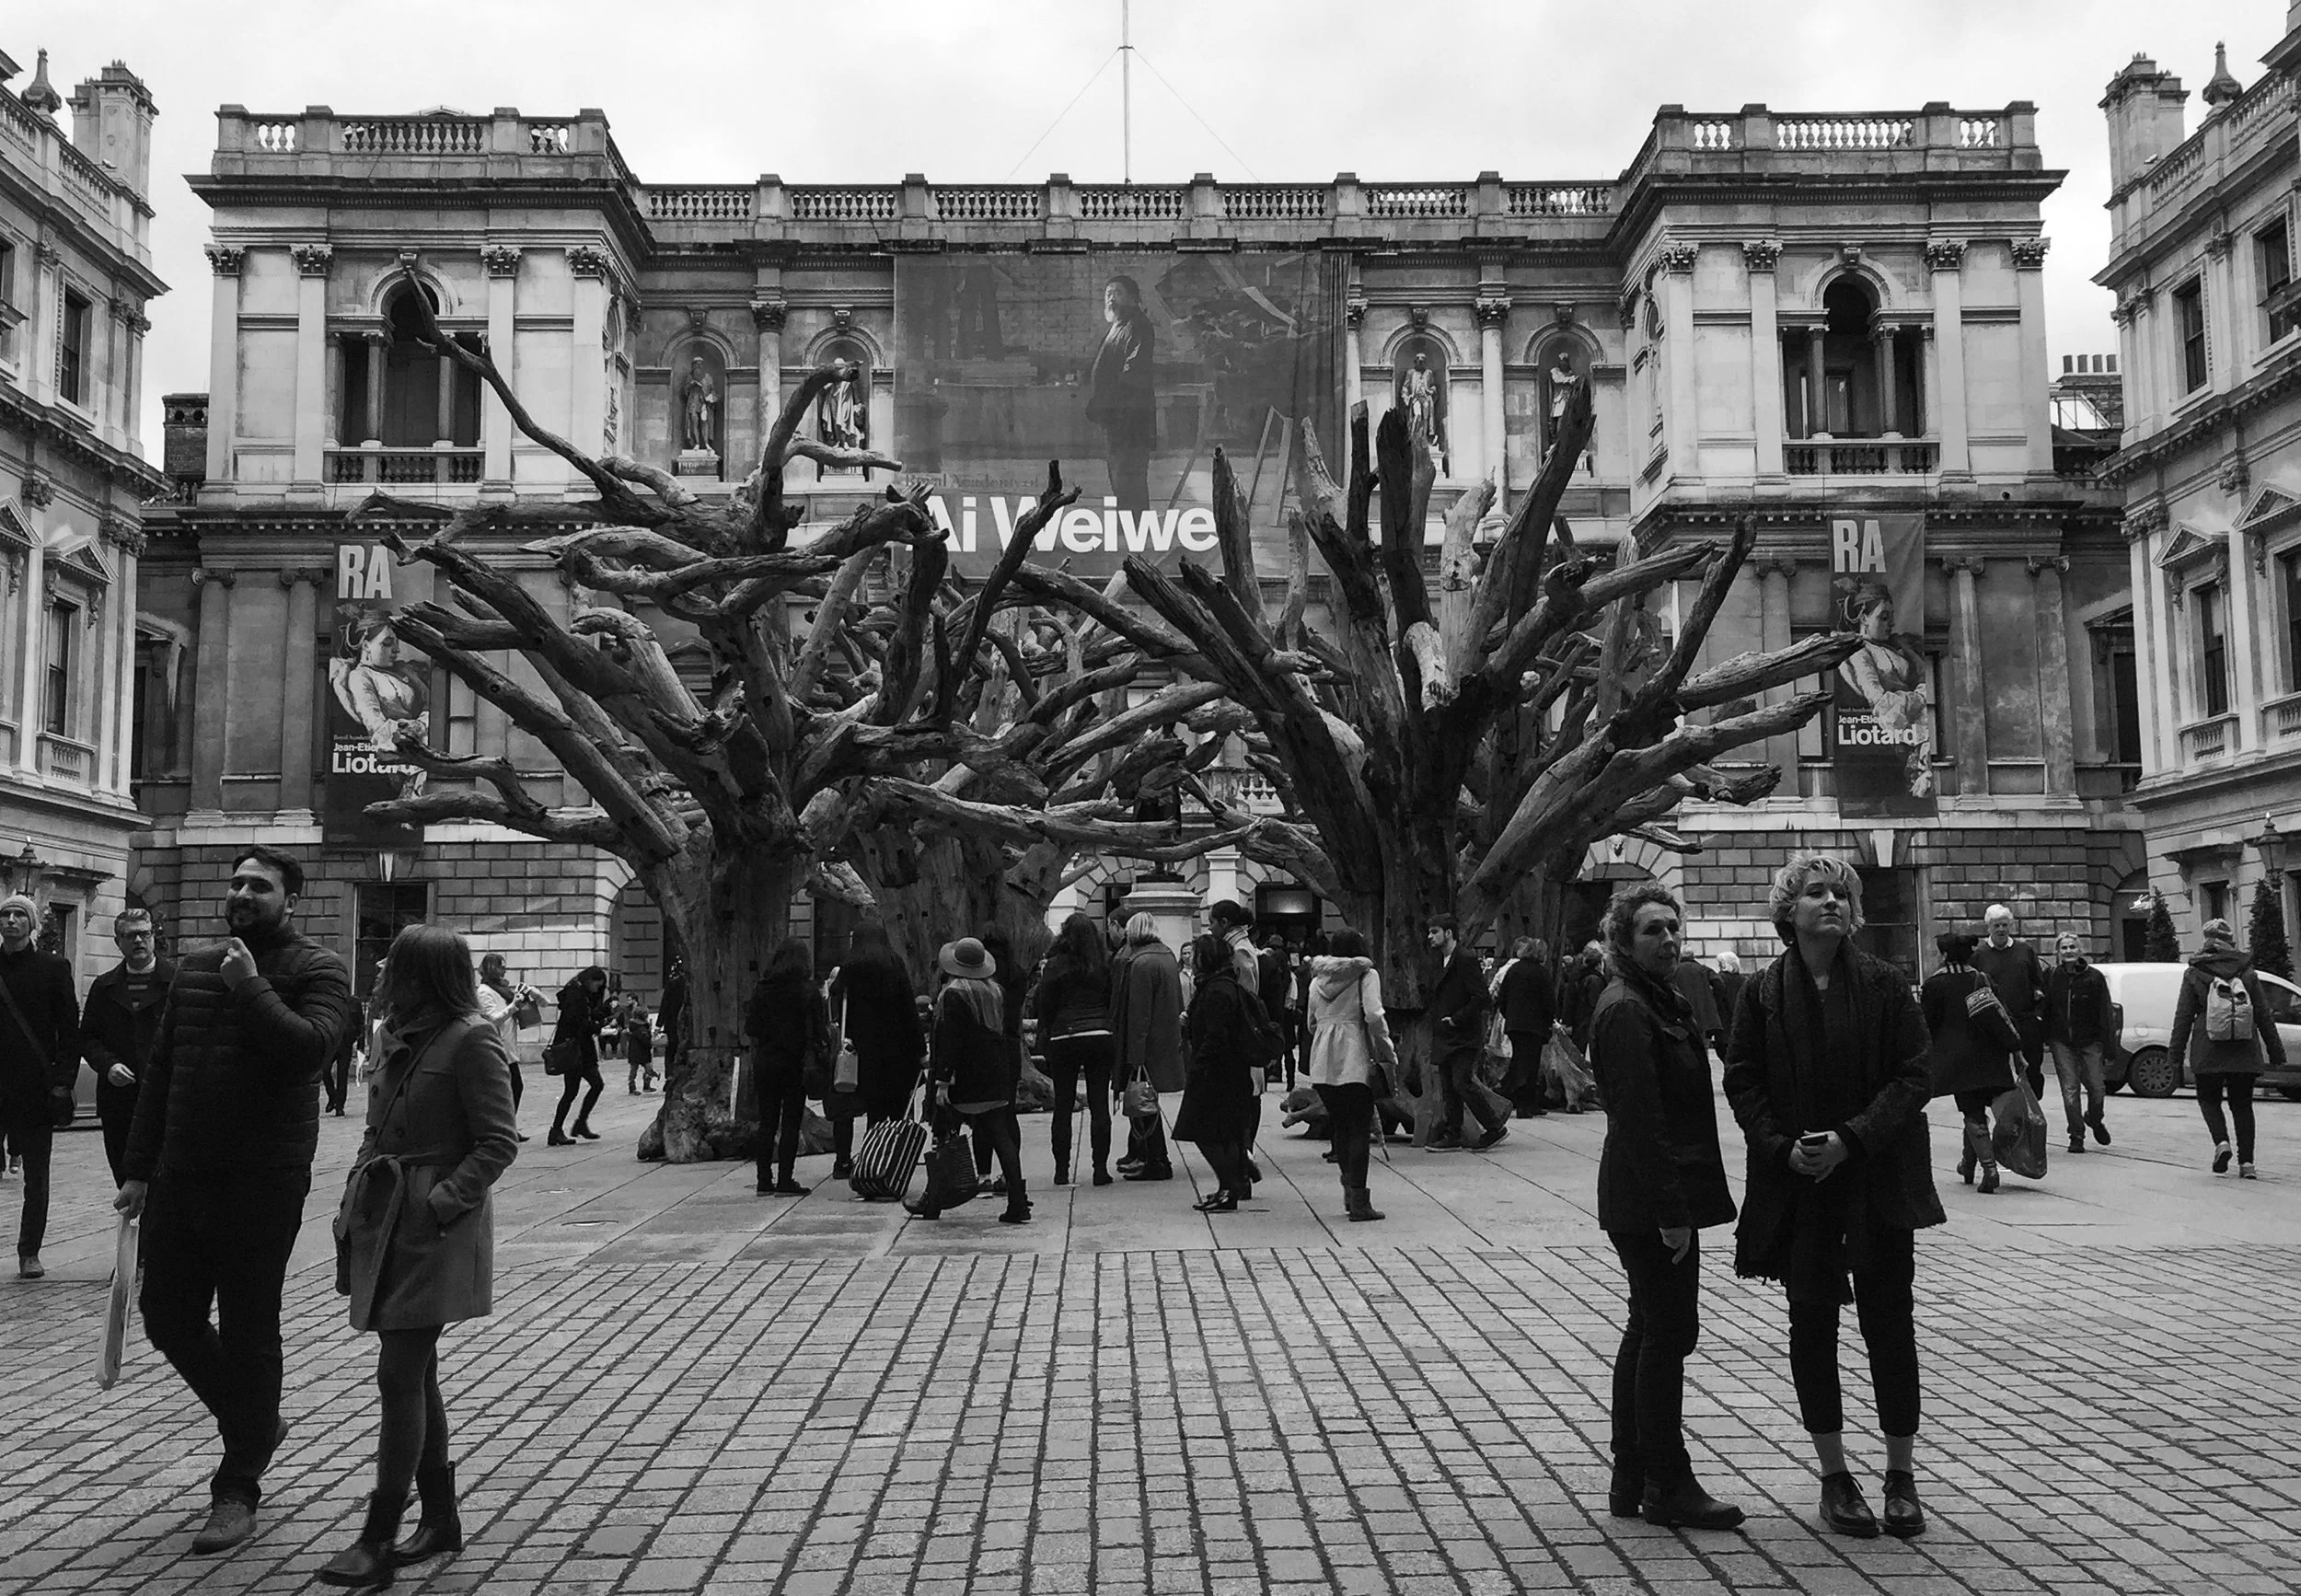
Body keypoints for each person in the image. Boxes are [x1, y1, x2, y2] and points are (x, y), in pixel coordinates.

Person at [114, 848, 353, 1556]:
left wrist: (251, 987)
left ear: (292, 899)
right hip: (183, 1171)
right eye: (239, 882)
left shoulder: (318, 970)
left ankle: (237, 1486)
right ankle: (256, 1424)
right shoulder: (191, 968)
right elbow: (162, 1071)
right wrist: (136, 1169)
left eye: (261, 885)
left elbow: (309, 1051)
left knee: (251, 1327)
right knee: (165, 1316)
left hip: (264, 1177)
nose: (243, 893)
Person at [1721, 851, 1941, 1541]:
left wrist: (1852, 1138)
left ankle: (1901, 1476)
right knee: (1811, 1325)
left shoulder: (1884, 983)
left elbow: (1915, 1077)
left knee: (1889, 1322)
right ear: (1789, 909)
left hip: (1874, 1176)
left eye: (1840, 892)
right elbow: (1742, 1079)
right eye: (1815, 892)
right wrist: (1781, 1146)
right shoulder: (1760, 991)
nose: (1832, 902)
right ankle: (1835, 1475)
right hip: (1800, 1181)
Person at [318, 924, 516, 1588]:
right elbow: (375, 1130)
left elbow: (497, 1141)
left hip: (436, 1228)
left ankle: (379, 1535)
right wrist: (353, 1201)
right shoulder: (390, 1036)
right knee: (416, 1372)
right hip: (386, 1216)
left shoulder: (471, 1039)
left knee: (398, 1374)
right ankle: (441, 1518)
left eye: (390, 965)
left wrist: (445, 1200)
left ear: (419, 975)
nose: (377, 974)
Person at [1587, 884, 1742, 1531]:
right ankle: (1665, 1480)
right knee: (1668, 1334)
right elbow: (1642, 1119)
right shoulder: (1627, 1008)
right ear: (1624, 939)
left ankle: (1633, 1473)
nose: (1669, 939)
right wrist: (1671, 1212)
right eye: (1653, 930)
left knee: (1650, 1328)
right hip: (1649, 1199)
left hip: (1648, 1195)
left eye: (1674, 928)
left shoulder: (1657, 997)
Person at [917, 938, 1028, 1224]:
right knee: (1002, 1137)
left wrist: (942, 1082)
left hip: (963, 1079)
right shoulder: (994, 993)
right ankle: (1018, 1201)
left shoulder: (953, 995)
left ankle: (933, 1200)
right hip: (995, 1076)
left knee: (943, 1135)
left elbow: (951, 1042)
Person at [2168, 918, 2287, 1178]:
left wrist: (2174, 1055)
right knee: (2242, 1105)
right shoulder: (2247, 971)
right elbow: (2263, 1015)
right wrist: (2276, 1051)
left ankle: (2222, 1143)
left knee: (2209, 1099)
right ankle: (2247, 1164)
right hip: (2243, 1048)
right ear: (2231, 942)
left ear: (2206, 941)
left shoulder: (2195, 972)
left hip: (2207, 1047)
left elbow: (2183, 1016)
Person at [0, 892, 77, 1278]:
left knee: (37, 1180)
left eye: (19, 915)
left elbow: (70, 1031)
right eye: (6, 914)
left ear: (32, 924)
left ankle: (29, 1252)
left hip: (34, 1089)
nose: (11, 920)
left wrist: (63, 1083)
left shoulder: (53, 968)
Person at [1305, 928, 1398, 1223]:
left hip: (1322, 1060)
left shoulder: (1317, 981)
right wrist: (1386, 1048)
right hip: (1353, 1057)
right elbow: (1373, 1015)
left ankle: (1349, 1190)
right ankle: (1359, 1200)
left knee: (1341, 1127)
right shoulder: (1366, 975)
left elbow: (1310, 1022)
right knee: (1359, 1128)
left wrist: (1326, 1030)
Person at [81, 908, 176, 1188]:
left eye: (144, 934)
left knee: (162, 1181)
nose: (139, 941)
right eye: (130, 935)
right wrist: (108, 1065)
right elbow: (87, 1038)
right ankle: (131, 1231)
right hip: (119, 1102)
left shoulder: (176, 982)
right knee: (124, 1179)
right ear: (117, 941)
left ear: (153, 937)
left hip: (164, 1099)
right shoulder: (104, 987)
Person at [1922, 932, 2021, 1195]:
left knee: (1972, 1113)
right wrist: (2016, 1050)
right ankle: (1968, 1164)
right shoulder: (1982, 978)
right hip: (1992, 1056)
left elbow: (1926, 1027)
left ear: (1944, 955)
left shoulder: (1934, 985)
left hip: (1959, 1062)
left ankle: (1989, 1170)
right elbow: (2002, 1014)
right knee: (1981, 1111)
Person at [828, 922, 924, 1180]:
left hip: (866, 1053)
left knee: (876, 1112)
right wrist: (920, 1049)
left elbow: (835, 995)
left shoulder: (851, 967)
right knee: (900, 1110)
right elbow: (908, 1009)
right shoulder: (894, 964)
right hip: (899, 1051)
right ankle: (897, 1162)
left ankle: (873, 1162)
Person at [1174, 933, 1259, 1212]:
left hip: (1217, 1071)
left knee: (1203, 1130)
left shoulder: (1217, 989)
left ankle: (1230, 1184)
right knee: (1226, 1132)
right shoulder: (1219, 985)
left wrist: (1199, 1064)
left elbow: (1216, 1034)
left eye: (1196, 955)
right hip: (1228, 1070)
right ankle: (1232, 1183)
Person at [1032, 913, 1117, 1186]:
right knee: (1099, 1103)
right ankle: (1100, 1169)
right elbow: (1110, 998)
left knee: (1063, 1105)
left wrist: (1049, 1030)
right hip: (1099, 1033)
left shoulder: (1056, 965)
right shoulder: (1103, 964)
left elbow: (1044, 1002)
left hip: (1064, 1034)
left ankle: (1061, 1170)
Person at [746, 938, 826, 1197]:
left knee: (766, 1122)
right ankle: (785, 1179)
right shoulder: (808, 990)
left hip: (766, 1061)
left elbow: (752, 1028)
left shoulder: (762, 988)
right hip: (796, 1062)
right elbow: (819, 1030)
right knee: (791, 1121)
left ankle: (763, 1179)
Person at [1110, 914, 1185, 1183]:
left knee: (1144, 1104)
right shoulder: (1167, 957)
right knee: (1148, 1103)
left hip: (1146, 1046)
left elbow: (1138, 1015)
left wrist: (1135, 1056)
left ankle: (1157, 1160)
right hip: (1165, 1041)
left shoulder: (1140, 963)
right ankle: (1152, 1158)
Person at [1426, 915, 1502, 1151]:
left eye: (1434, 932)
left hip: (1462, 1033)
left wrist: (1456, 1019)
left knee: (1462, 1082)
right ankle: (1453, 1133)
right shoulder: (1441, 960)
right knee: (1449, 1084)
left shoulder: (1465, 959)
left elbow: (1481, 997)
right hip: (1446, 1032)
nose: (1430, 936)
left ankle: (1493, 1126)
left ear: (1448, 933)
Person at [1085, 273, 1157, 512]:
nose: (1111, 298)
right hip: (1115, 418)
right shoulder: (1117, 326)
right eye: (1108, 293)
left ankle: (1135, 529)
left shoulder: (1138, 325)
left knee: (1130, 477)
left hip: (1130, 417)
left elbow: (1133, 372)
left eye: (1118, 293)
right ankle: (1127, 527)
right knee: (1119, 476)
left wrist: (1112, 403)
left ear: (1133, 299)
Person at [2043, 931, 2113, 1155]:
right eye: (2064, 948)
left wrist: (2109, 1044)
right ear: (2058, 953)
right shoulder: (2052, 977)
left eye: (2072, 947)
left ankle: (2094, 1118)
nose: (2068, 951)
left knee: (2097, 1088)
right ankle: (2076, 1135)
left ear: (2080, 950)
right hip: (2061, 1041)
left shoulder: (2094, 977)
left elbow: (2105, 1012)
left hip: (2090, 1040)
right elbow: (2044, 1007)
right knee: (2070, 1090)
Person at [974, 929, 1030, 1195]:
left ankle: (982, 1174)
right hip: (1010, 1045)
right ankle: (1010, 1174)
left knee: (981, 1115)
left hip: (983, 1047)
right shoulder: (1017, 973)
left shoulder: (979, 974)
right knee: (1008, 1115)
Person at [1972, 903, 2047, 1100]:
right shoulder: (1978, 955)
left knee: (2032, 1071)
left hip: (2025, 1021)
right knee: (1999, 1075)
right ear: (1988, 927)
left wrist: (2038, 1016)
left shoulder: (2025, 951)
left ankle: (2032, 1110)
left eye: (2004, 925)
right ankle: (2008, 1115)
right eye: (1996, 925)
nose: (2001, 929)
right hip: (1995, 1025)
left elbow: (2039, 983)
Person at [475, 954, 540, 1142]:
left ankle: (507, 1127)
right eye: (501, 967)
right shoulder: (484, 992)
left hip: (507, 1046)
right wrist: (513, 1006)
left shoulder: (503, 989)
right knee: (506, 1088)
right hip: (495, 1046)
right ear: (491, 968)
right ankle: (500, 1128)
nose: (504, 971)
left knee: (513, 1087)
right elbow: (493, 1018)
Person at [546, 966, 607, 1146]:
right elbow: (577, 1022)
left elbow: (585, 1017)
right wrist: (597, 1027)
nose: (598, 989)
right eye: (598, 985)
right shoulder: (576, 994)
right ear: (590, 980)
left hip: (581, 1049)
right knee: (572, 1090)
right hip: (575, 1049)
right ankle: (557, 1129)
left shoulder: (581, 993)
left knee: (594, 1085)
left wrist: (601, 1015)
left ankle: (578, 1123)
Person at [1495, 937, 1555, 1118]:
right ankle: (1524, 1102)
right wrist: (1548, 1022)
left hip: (1515, 1024)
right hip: (1534, 1026)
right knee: (1530, 1064)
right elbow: (1549, 1002)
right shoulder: (1541, 973)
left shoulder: (1514, 970)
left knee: (1520, 1061)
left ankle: (1521, 1100)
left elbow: (1502, 997)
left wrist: (1510, 1016)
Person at [620, 998, 655, 1094]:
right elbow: (645, 1040)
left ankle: (632, 1087)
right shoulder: (642, 1028)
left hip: (634, 1051)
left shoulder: (633, 1026)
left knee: (634, 1070)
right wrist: (651, 1043)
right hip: (643, 1051)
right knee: (647, 1068)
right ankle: (646, 1085)